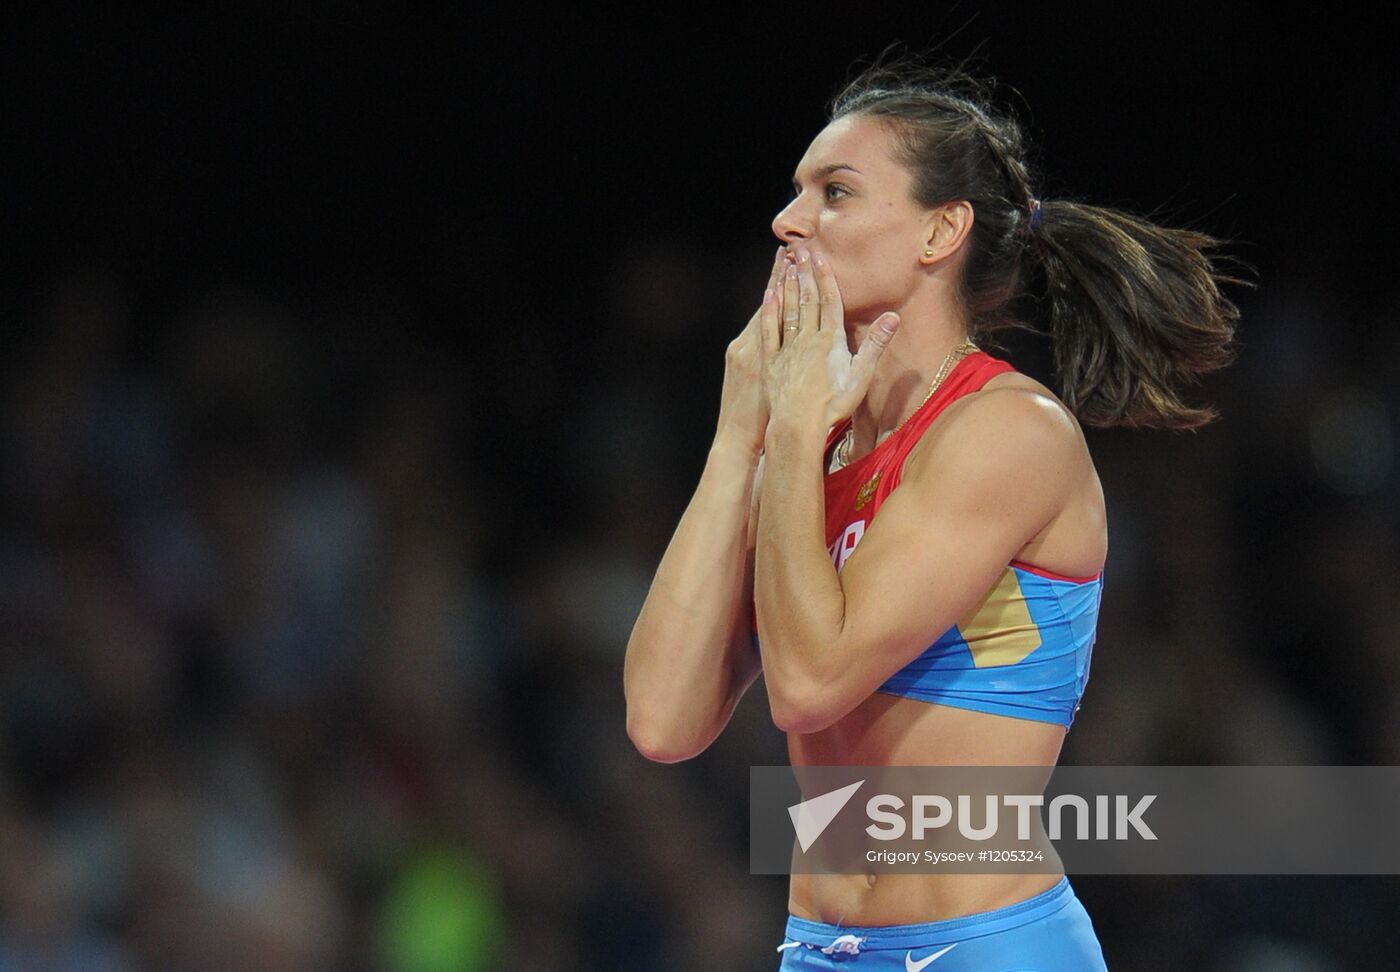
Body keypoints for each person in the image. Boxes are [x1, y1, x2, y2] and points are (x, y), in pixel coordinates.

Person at [623, 59, 1239, 970]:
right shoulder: (809, 447)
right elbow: (662, 722)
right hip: (819, 947)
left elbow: (808, 683)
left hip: (985, 946)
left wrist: (787, 439)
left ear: (940, 230)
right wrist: (738, 436)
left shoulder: (1007, 432)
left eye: (834, 192)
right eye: (796, 191)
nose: (788, 220)